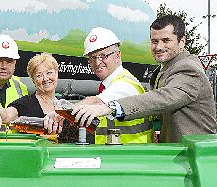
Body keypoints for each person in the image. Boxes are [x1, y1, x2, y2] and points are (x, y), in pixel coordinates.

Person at [72, 15, 217, 143]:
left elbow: (164, 98)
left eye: (166, 40)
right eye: (154, 41)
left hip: (197, 159)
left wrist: (110, 106)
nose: (159, 47)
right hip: (181, 155)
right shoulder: (165, 69)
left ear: (182, 41)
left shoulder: (188, 68)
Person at [47, 27, 154, 144]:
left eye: (103, 56)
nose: (97, 63)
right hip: (117, 156)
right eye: (92, 58)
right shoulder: (109, 85)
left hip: (131, 157)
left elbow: (97, 102)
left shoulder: (126, 84)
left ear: (118, 56)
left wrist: (61, 113)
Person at [0, 53, 65, 135]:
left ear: (57, 73)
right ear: (33, 80)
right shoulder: (25, 104)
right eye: (39, 75)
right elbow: (8, 114)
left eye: (49, 73)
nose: (46, 78)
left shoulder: (64, 106)